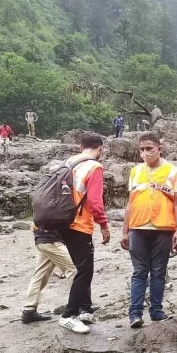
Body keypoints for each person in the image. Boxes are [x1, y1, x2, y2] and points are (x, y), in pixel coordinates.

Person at [121, 133, 177, 328]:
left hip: (163, 228)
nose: (145, 153)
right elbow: (130, 203)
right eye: (142, 149)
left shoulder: (172, 171)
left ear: (159, 149)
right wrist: (125, 231)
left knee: (158, 272)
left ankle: (156, 311)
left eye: (149, 148)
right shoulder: (135, 172)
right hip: (138, 228)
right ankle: (135, 314)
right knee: (139, 271)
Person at [58, 132, 111, 335]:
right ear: (100, 149)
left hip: (62, 222)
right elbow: (95, 202)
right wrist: (104, 225)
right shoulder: (94, 166)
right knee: (85, 270)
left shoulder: (69, 162)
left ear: (81, 147)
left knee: (81, 267)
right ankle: (68, 316)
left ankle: (84, 310)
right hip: (79, 224)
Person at [21, 225, 76, 323]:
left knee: (40, 275)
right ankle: (79, 305)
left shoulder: (39, 209)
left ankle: (29, 310)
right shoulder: (53, 209)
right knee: (72, 270)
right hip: (51, 241)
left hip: (42, 240)